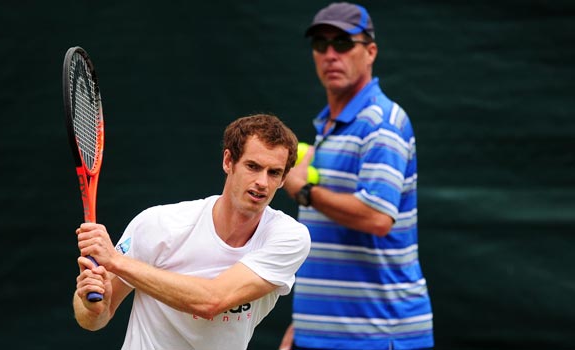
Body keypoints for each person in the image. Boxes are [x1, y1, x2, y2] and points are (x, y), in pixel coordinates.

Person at [73, 114, 311, 350]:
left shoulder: (288, 237)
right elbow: (94, 318)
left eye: (274, 173)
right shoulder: (158, 225)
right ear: (228, 161)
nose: (262, 182)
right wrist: (94, 309)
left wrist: (116, 261)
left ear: (283, 179)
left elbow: (212, 301)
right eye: (253, 166)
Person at [279, 3, 434, 350]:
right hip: (324, 334)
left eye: (344, 43)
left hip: (377, 336)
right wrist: (304, 326)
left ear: (371, 52)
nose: (331, 54)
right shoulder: (330, 125)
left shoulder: (380, 122)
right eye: (321, 44)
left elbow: (378, 217)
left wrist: (304, 191)